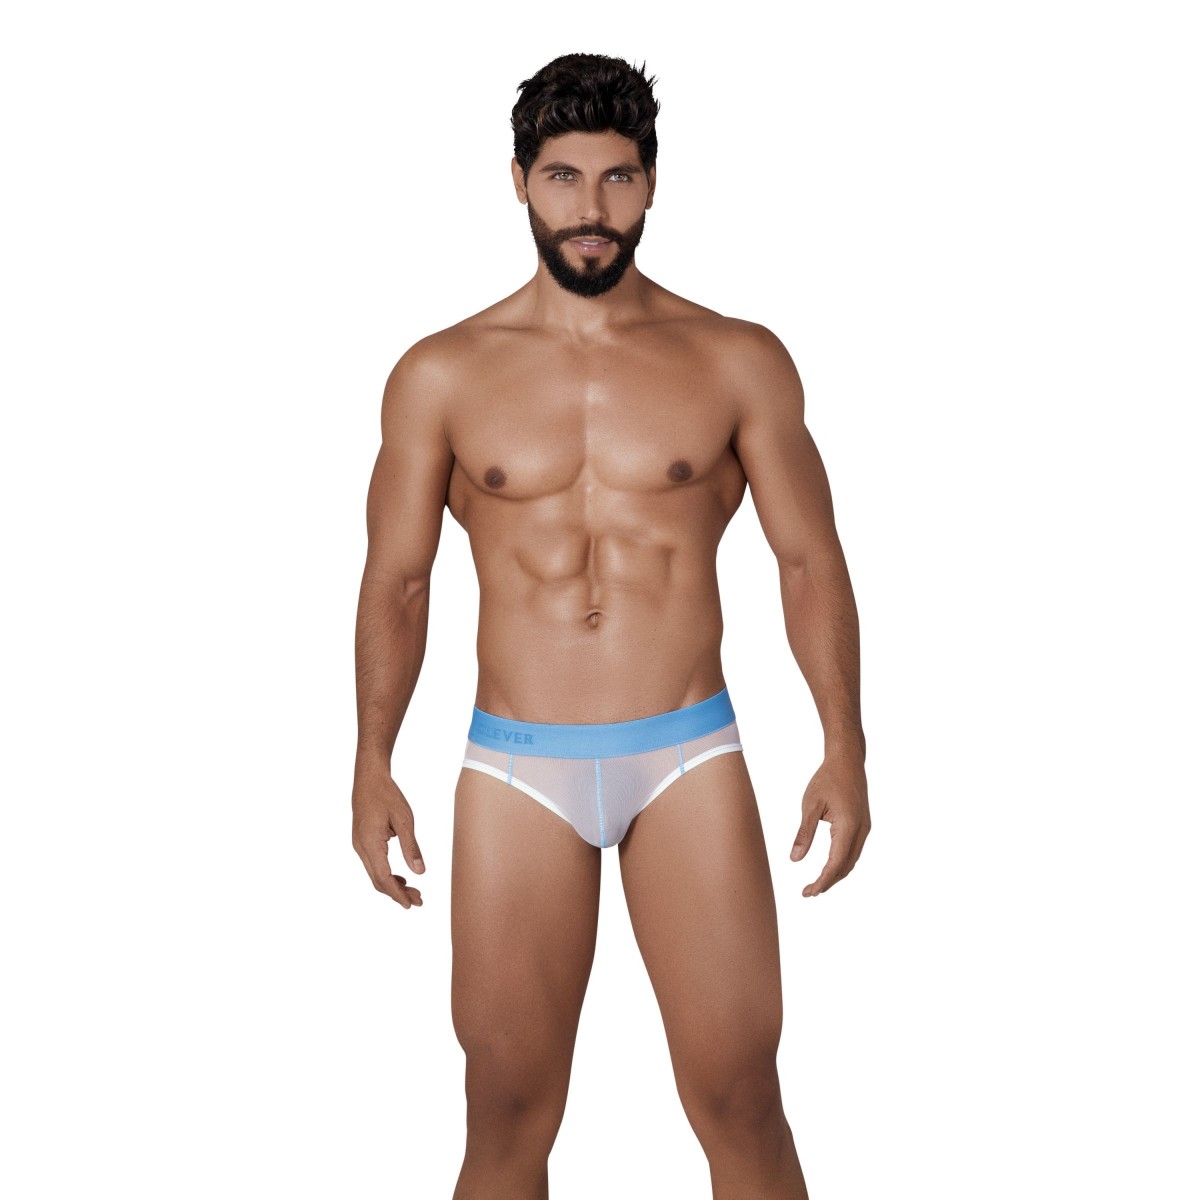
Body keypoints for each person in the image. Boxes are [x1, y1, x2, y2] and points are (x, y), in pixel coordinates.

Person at [351, 51, 870, 1200]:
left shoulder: (736, 358)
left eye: (617, 178)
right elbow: (399, 580)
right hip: (517, 766)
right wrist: (371, 759)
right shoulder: (441, 373)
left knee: (741, 1097)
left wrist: (846, 745)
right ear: (520, 182)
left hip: (687, 752)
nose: (591, 207)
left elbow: (807, 559)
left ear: (652, 183)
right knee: (505, 1112)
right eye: (564, 177)